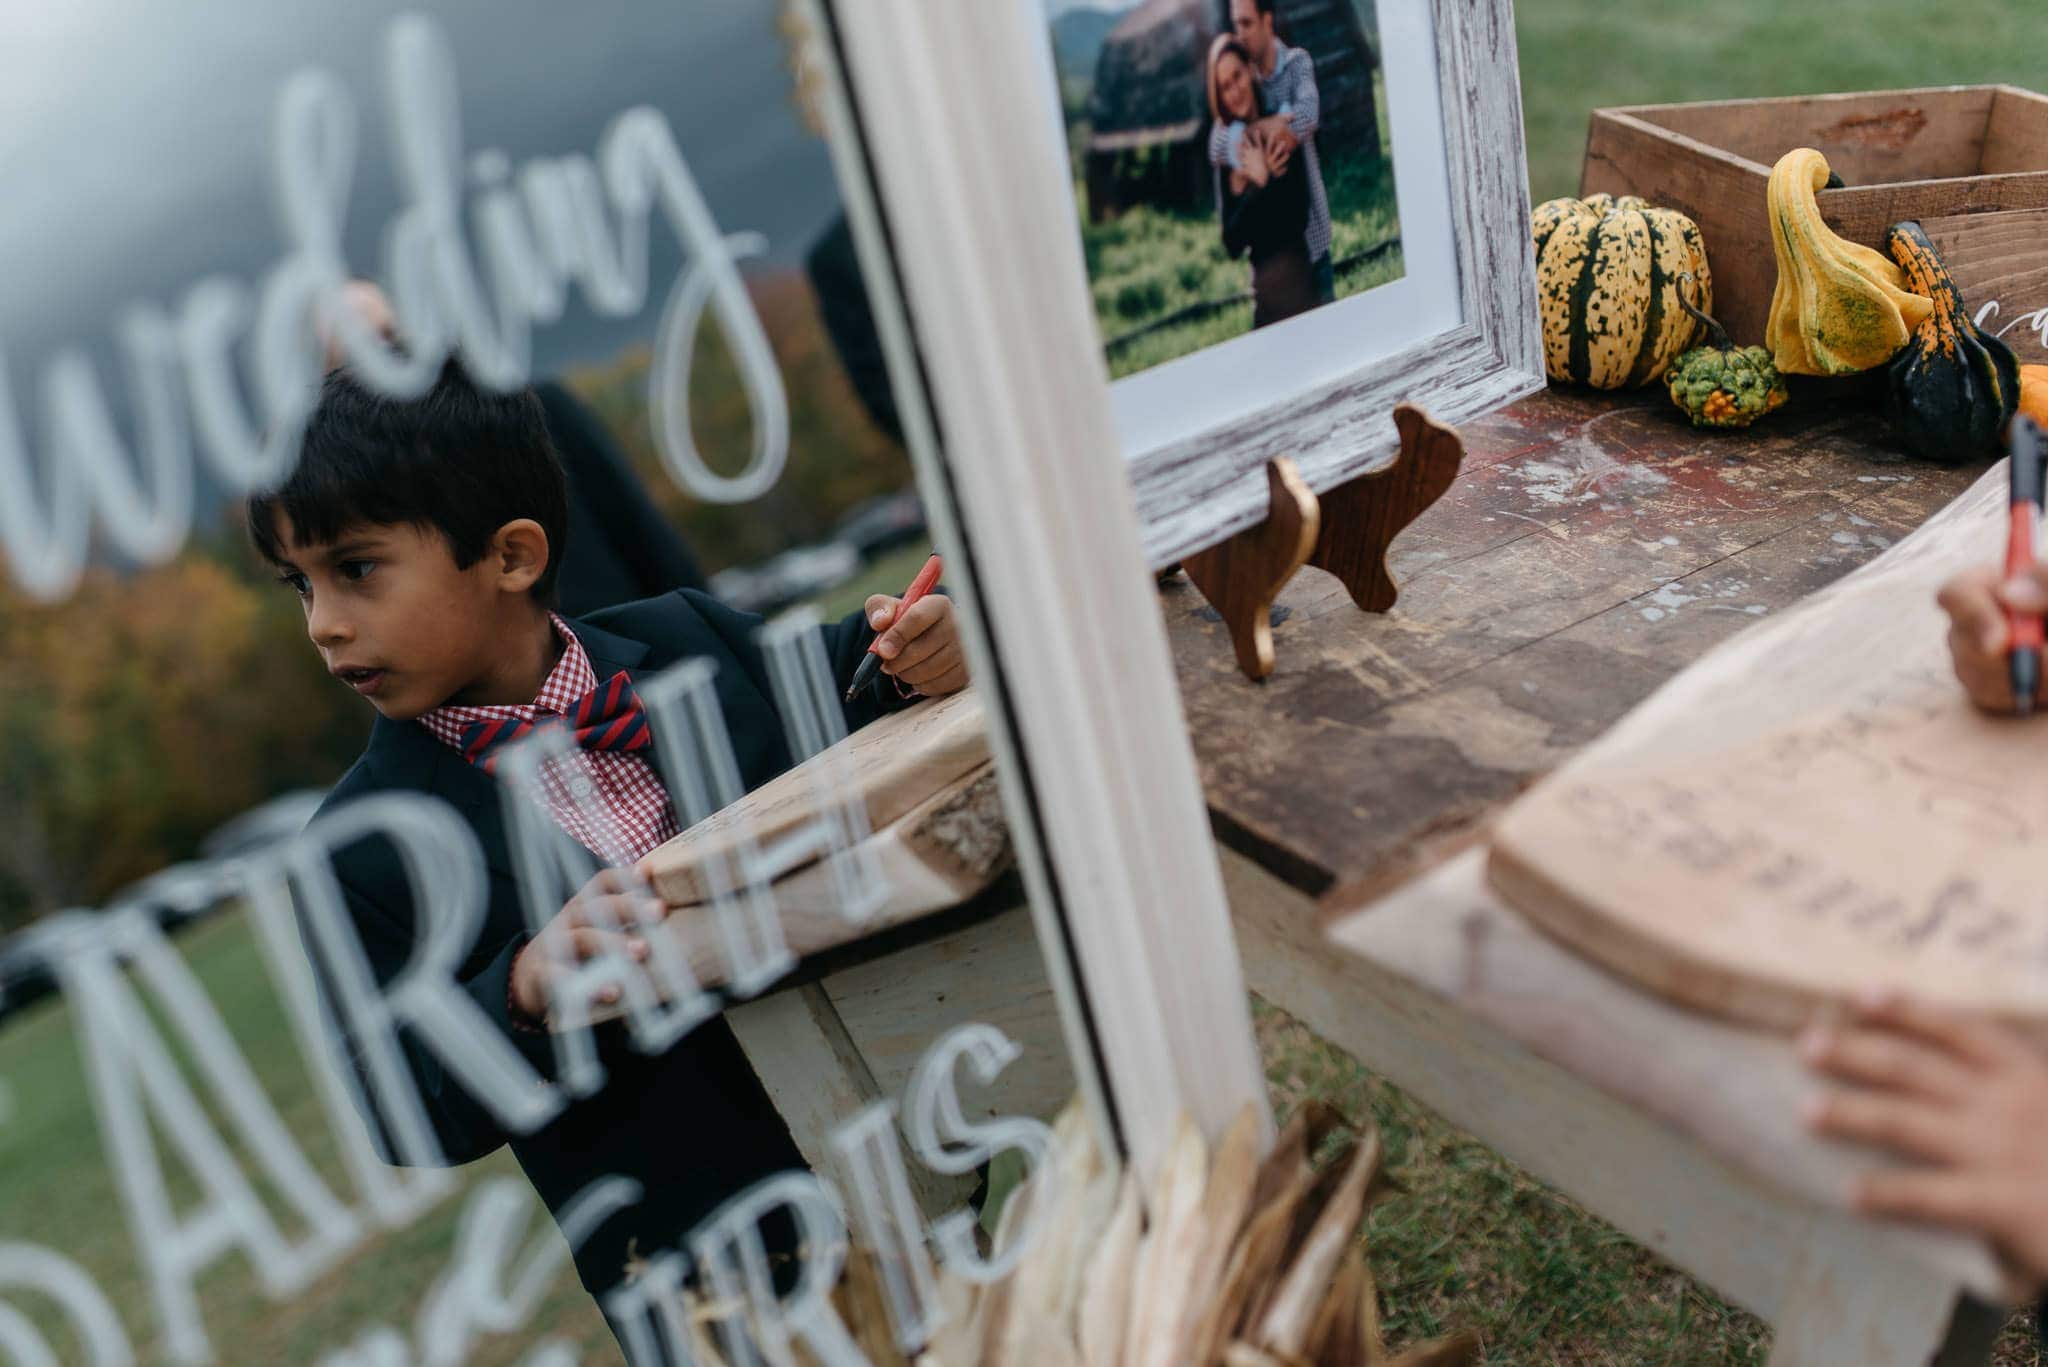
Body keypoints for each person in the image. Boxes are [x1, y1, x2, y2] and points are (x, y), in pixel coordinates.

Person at [245, 360, 970, 1351]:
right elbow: (394, 1102)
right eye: (300, 583)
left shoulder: (690, 640)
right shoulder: (358, 850)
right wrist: (520, 988)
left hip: (900, 1160)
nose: (322, 623)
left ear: (508, 555)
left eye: (355, 569)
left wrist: (919, 656)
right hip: (708, 1285)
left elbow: (847, 682)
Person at [1206, 0, 1333, 307]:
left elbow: (1307, 116)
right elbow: (1215, 145)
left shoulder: (1295, 63)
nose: (1241, 33)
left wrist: (1255, 138)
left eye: (1247, 23)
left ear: (1267, 20)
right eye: (1236, 24)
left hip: (1311, 240)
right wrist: (1269, 128)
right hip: (1268, 266)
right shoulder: (1244, 80)